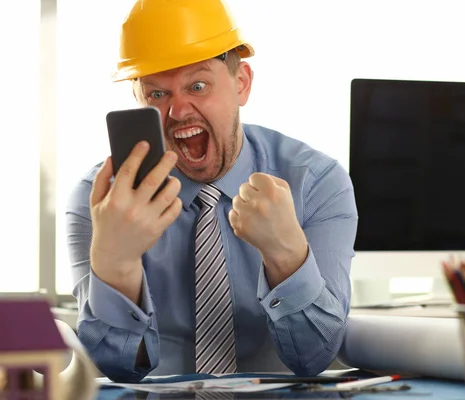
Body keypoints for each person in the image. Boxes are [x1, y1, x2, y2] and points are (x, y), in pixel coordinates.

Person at [66, 0, 358, 383]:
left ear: (241, 84)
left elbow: (314, 358)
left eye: (197, 86)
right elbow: (115, 369)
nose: (177, 111)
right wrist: (116, 266)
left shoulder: (317, 182)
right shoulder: (102, 201)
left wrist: (286, 254)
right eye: (157, 94)